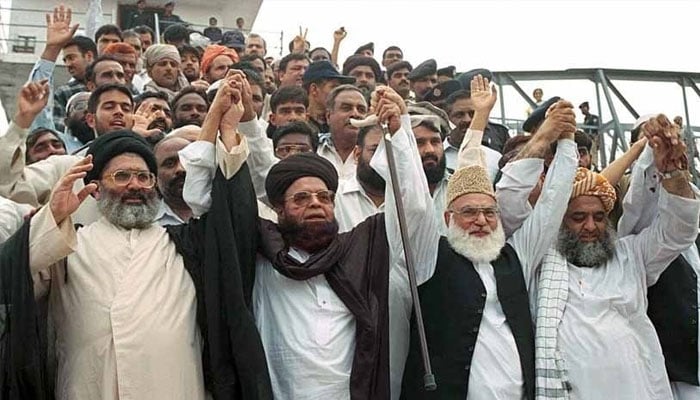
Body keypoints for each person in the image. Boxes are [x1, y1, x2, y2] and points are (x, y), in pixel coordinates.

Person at [0, 78, 272, 398]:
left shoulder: (181, 245)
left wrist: (220, 126)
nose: (135, 185)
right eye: (122, 176)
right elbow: (12, 276)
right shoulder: (69, 245)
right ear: (96, 188)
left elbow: (229, 215)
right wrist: (54, 217)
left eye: (144, 177)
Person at [182, 78, 439, 399]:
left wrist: (399, 135)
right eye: (301, 199)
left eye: (323, 197)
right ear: (278, 209)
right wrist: (224, 121)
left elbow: (412, 211)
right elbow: (205, 203)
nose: (315, 204)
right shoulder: (262, 257)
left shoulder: (363, 253)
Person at [497, 112, 699, 399]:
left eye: (599, 217)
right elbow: (508, 205)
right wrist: (544, 137)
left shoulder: (630, 255)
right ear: (559, 218)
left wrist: (673, 174)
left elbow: (679, 230)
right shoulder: (537, 258)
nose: (590, 227)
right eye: (578, 217)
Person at [403, 83, 578, 400]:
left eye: (489, 212)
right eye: (469, 212)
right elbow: (413, 201)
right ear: (447, 219)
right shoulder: (430, 255)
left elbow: (552, 204)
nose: (481, 221)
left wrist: (564, 141)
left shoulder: (516, 257)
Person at [303, 60, 355, 134]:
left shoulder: (342, 124)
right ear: (314, 89)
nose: (339, 93)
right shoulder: (299, 125)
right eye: (334, 87)